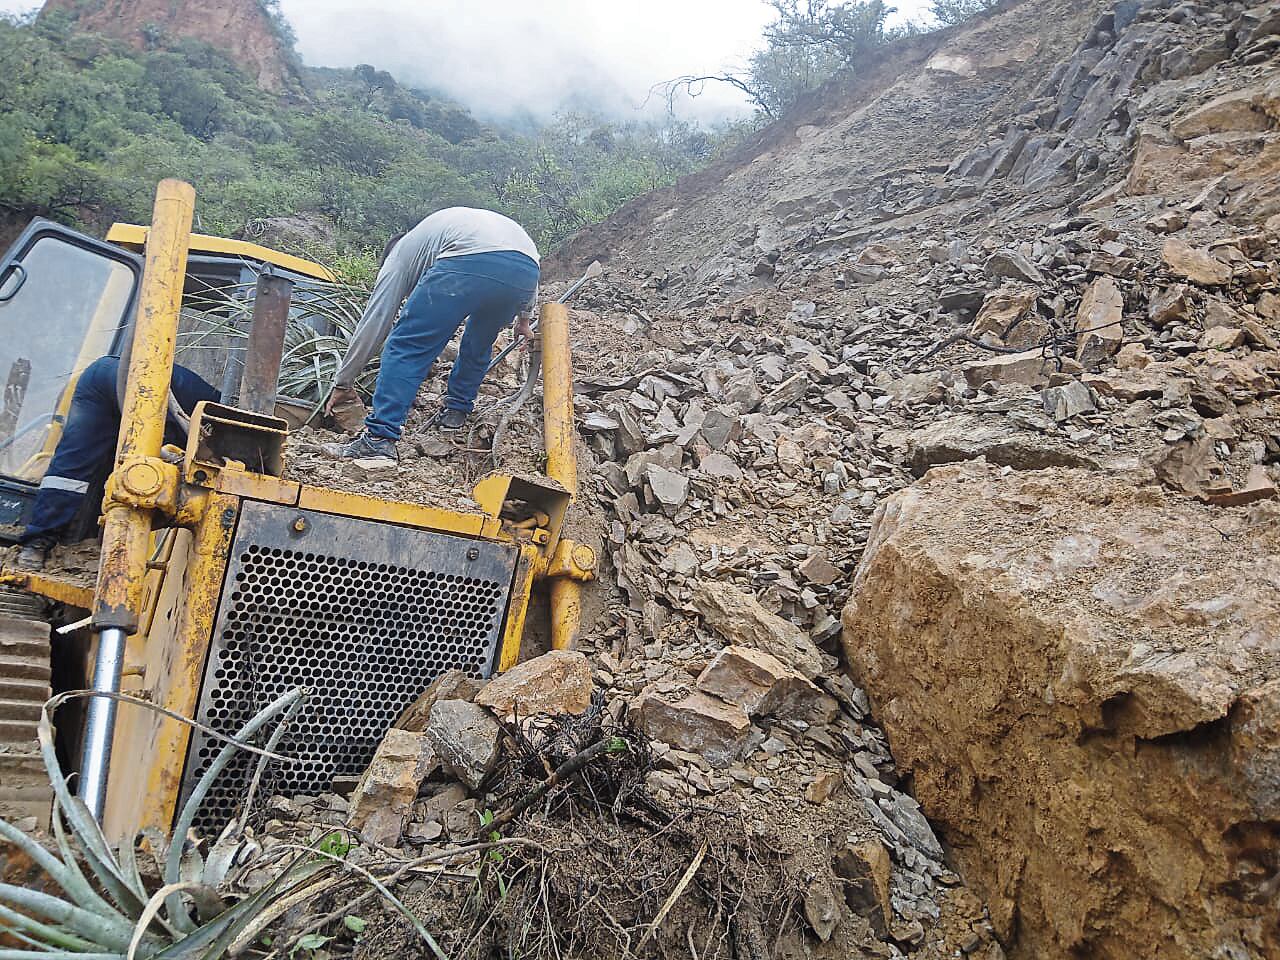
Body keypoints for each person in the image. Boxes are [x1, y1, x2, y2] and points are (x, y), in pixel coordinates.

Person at [325, 208, 540, 460]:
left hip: (469, 260)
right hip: (526, 270)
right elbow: (522, 262)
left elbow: (375, 322)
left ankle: (379, 439)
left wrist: (343, 382)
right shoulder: (437, 234)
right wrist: (524, 318)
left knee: (408, 345)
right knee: (479, 343)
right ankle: (456, 413)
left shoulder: (399, 256)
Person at [14, 356, 220, 571]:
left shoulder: (207, 408)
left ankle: (37, 546)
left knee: (73, 467)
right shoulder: (217, 421)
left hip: (107, 375)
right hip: (141, 384)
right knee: (144, 477)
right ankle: (99, 553)